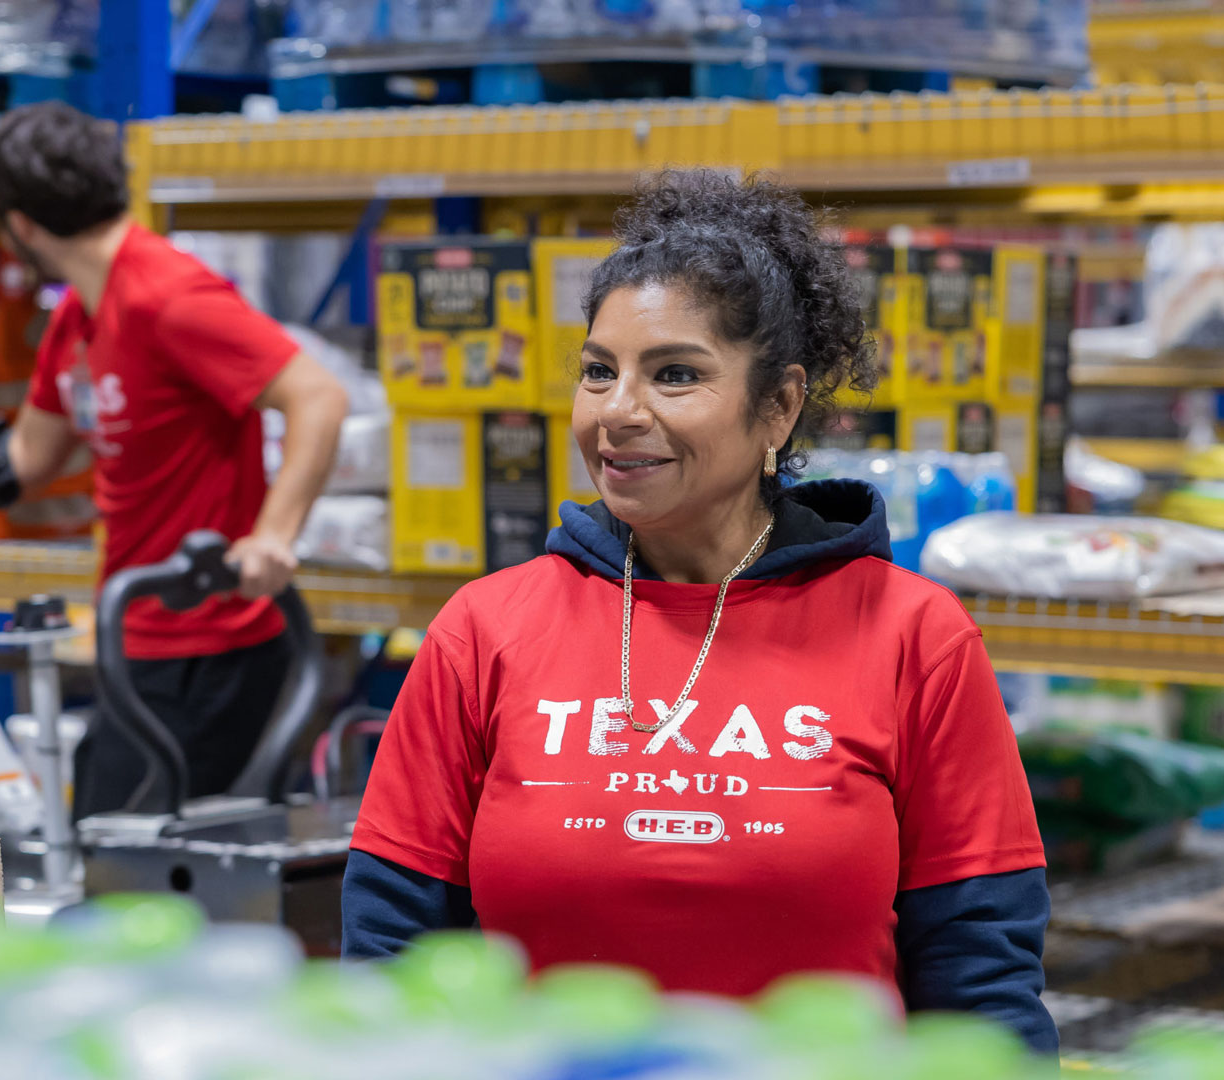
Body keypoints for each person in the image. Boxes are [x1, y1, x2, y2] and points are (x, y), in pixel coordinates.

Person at [340, 170, 1056, 1052]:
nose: (619, 412)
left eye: (675, 375)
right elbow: (393, 952)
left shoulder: (916, 637)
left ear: (779, 408)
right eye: (599, 372)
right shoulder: (484, 631)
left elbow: (981, 975)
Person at [0, 102, 349, 818]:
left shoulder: (169, 297)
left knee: (134, 872)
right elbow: (24, 459)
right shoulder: (79, 318)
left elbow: (318, 395)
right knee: (106, 849)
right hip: (137, 639)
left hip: (212, 649)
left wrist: (273, 535)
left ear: (22, 226)